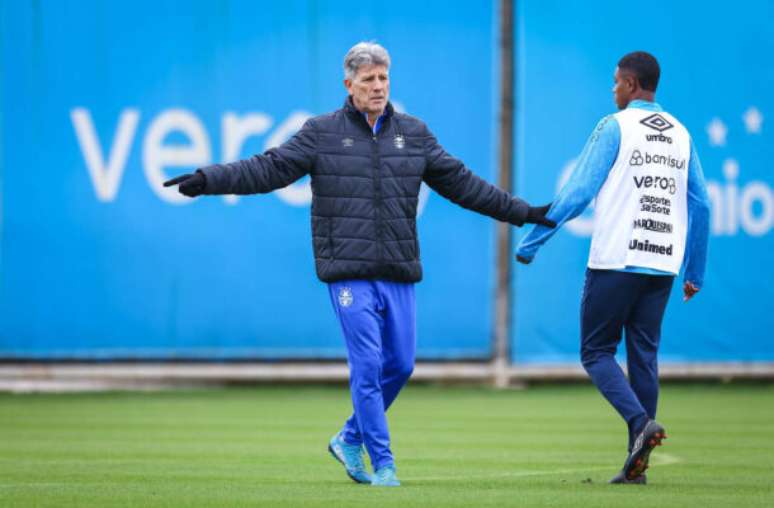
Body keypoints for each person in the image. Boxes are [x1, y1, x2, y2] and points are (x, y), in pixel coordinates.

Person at [164, 41, 555, 487]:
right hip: (347, 271)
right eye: (368, 79)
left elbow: (466, 185)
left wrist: (522, 212)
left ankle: (349, 438)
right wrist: (208, 179)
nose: (378, 86)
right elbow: (267, 168)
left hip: (397, 270)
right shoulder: (321, 133)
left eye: (383, 78)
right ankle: (383, 463)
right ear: (348, 84)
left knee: (402, 365)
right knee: (367, 365)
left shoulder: (415, 134)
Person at [516, 51, 710, 484]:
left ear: (629, 84)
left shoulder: (614, 126)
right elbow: (702, 202)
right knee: (644, 356)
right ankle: (636, 467)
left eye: (615, 82)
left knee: (596, 352)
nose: (612, 90)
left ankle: (640, 424)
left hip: (617, 259)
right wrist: (694, 270)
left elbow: (580, 190)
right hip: (662, 263)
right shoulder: (681, 133)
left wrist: (534, 240)